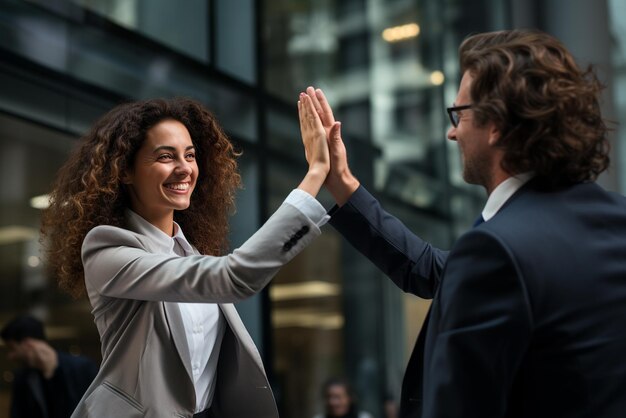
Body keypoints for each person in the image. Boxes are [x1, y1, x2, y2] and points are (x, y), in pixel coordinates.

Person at [300, 29, 626, 417]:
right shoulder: (614, 220)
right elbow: (433, 269)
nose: (451, 132)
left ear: (497, 126)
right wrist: (343, 184)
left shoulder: (498, 249)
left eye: (459, 114)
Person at [40, 96, 331, 418]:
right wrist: (315, 173)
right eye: (166, 156)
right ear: (125, 171)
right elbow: (234, 278)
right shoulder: (107, 251)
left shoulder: (190, 252)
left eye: (189, 156)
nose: (184, 168)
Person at [1, 315, 98, 418]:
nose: (11, 356)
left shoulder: (83, 368)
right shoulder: (23, 379)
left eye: (12, 348)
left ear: (27, 343)